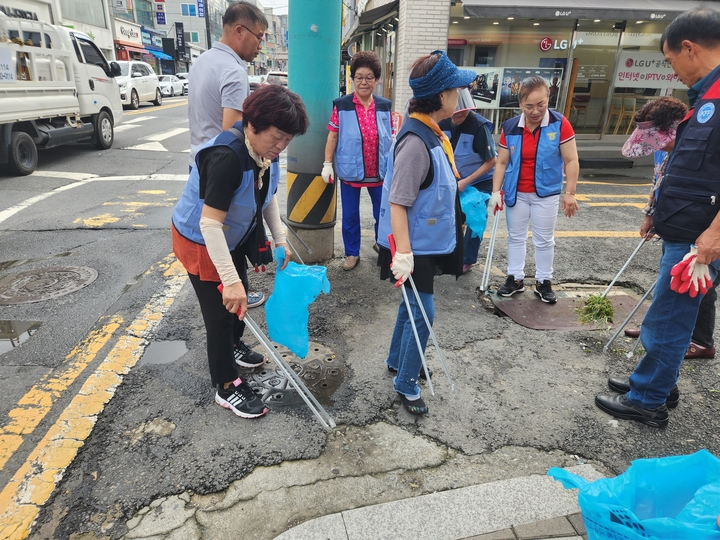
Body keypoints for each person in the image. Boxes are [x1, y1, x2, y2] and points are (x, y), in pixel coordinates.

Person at [596, 7, 720, 428]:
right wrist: (656, 212)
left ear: (689, 48)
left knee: (668, 318)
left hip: (698, 238)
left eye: (670, 60)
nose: (673, 70)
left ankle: (646, 400)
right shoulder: (706, 98)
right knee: (670, 315)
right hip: (683, 227)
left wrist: (714, 234)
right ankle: (660, 385)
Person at [171, 85, 309, 419]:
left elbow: (267, 194)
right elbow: (209, 224)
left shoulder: (265, 152)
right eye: (277, 137)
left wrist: (279, 240)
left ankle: (233, 346)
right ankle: (226, 385)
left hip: (231, 235)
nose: (280, 146)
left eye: (287, 140)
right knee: (221, 313)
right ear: (253, 124)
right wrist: (229, 282)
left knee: (241, 295)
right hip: (202, 239)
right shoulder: (226, 157)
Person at [376, 50, 475, 415]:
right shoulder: (417, 142)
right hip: (412, 246)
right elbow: (398, 201)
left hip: (424, 242)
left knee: (413, 306)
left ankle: (397, 360)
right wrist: (403, 253)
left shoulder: (431, 132)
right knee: (423, 311)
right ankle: (405, 381)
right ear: (442, 94)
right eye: (456, 89)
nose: (459, 95)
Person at [619, 97, 716, 360]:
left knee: (699, 286)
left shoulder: (699, 147)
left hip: (703, 230)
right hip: (674, 222)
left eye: (659, 141)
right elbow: (659, 182)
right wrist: (651, 215)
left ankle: (700, 341)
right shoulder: (665, 151)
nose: (657, 147)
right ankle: (658, 327)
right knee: (670, 284)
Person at [187, 1, 268, 307]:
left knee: (213, 237)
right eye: (259, 36)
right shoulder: (234, 71)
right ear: (239, 31)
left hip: (199, 164)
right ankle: (233, 296)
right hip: (223, 168)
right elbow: (233, 132)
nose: (260, 45)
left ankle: (229, 293)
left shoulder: (203, 61)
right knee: (227, 238)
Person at [490, 75, 580, 304]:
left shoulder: (560, 124)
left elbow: (571, 160)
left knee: (544, 240)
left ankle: (543, 281)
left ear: (548, 99)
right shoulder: (510, 127)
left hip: (546, 193)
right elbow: (501, 162)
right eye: (529, 106)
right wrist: (495, 192)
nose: (536, 111)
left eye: (541, 104)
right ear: (520, 103)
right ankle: (515, 278)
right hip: (516, 193)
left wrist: (570, 193)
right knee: (516, 237)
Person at [322, 51, 393, 271]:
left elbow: (391, 137)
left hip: (379, 171)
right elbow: (333, 136)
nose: (364, 82)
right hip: (350, 170)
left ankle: (382, 245)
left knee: (383, 213)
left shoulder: (384, 105)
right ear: (353, 78)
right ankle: (352, 253)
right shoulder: (342, 105)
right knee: (351, 215)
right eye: (359, 77)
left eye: (369, 77)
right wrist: (327, 164)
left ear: (377, 79)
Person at [438, 88, 497, 274]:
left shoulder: (479, 126)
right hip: (453, 179)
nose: (460, 115)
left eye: (464, 112)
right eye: (456, 112)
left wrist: (466, 182)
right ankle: (448, 253)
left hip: (479, 180)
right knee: (450, 217)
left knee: (474, 219)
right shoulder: (442, 122)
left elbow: (491, 161)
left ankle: (467, 259)